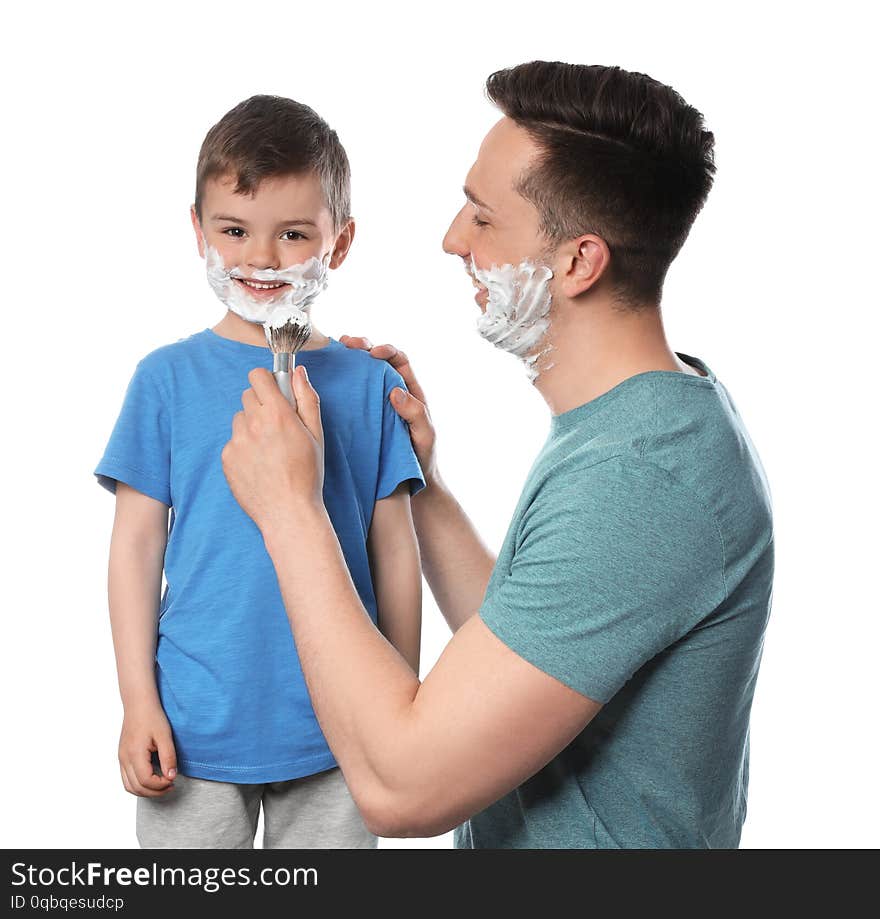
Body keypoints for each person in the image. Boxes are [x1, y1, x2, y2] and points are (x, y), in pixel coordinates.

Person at [220, 62, 774, 848]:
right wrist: (427, 491)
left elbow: (399, 788)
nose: (452, 239)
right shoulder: (639, 419)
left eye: (483, 218)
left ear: (579, 262)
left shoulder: (642, 478)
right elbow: (538, 652)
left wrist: (288, 508)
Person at [94, 95, 424, 849]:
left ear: (338, 243)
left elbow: (394, 552)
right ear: (197, 230)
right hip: (194, 729)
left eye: (294, 234)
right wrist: (136, 701)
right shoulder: (165, 380)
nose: (262, 258)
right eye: (235, 229)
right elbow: (136, 549)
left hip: (340, 731)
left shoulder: (370, 385)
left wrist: (399, 712)